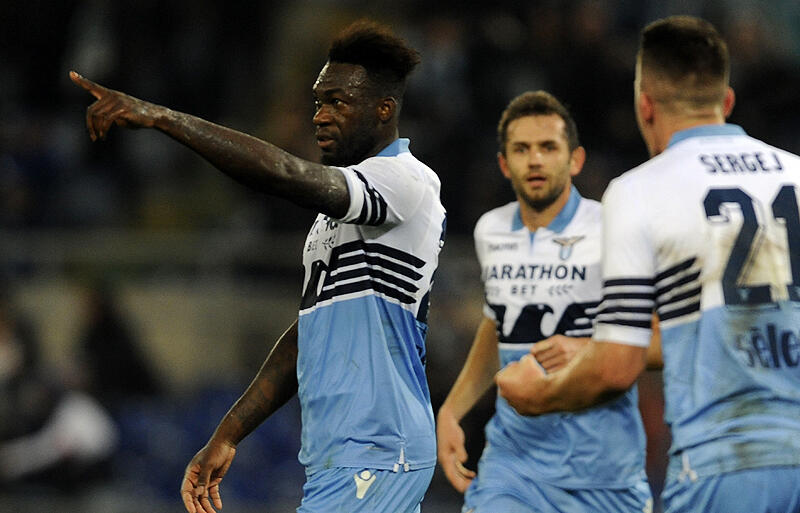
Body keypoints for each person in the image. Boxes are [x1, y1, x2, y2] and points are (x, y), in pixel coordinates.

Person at [71, 19, 446, 513]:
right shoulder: (339, 216)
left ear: (384, 110)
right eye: (318, 101)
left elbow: (285, 172)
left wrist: (162, 118)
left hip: (377, 444)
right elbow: (310, 332)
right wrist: (229, 433)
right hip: (344, 451)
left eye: (337, 102)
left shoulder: (406, 180)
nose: (320, 116)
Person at [495, 15, 800, 513]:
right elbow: (721, 323)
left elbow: (616, 369)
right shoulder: (796, 173)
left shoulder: (639, 191)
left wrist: (540, 396)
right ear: (726, 102)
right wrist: (591, 347)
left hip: (723, 464)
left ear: (644, 106)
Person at [437, 90, 652, 513]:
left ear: (575, 159)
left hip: (604, 471)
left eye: (548, 147)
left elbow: (660, 332)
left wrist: (590, 348)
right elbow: (498, 323)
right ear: (504, 164)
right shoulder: (490, 230)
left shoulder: (614, 227)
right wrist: (451, 411)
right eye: (521, 149)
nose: (535, 160)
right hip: (513, 468)